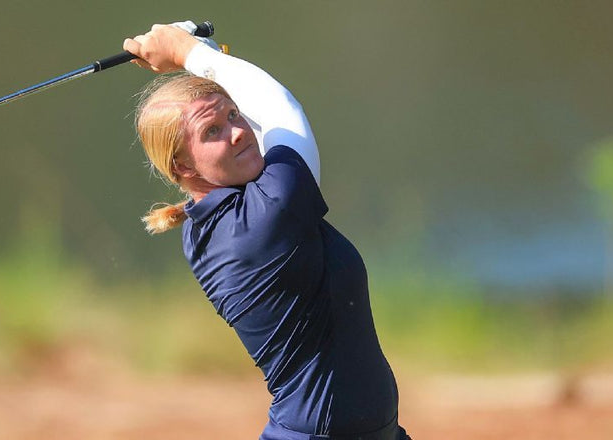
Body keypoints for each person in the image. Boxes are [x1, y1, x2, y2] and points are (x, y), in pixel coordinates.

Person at [123, 23, 410, 440]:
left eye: (233, 114)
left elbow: (256, 126)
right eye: (212, 131)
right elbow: (282, 112)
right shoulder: (263, 219)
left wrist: (202, 55)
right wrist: (188, 53)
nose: (238, 131)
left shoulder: (214, 216)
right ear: (184, 168)